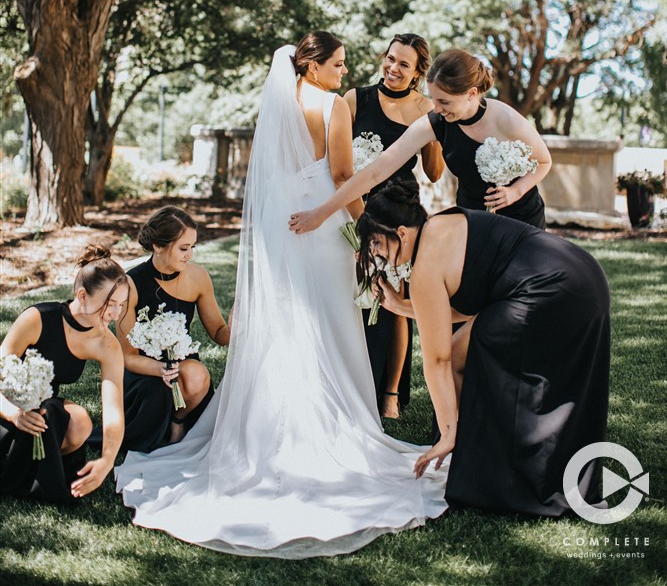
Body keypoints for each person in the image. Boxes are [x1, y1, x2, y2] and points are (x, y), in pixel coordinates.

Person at [116, 34, 448, 557]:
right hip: (322, 225)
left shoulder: (278, 102)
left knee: (288, 324)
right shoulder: (334, 105)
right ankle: (328, 433)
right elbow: (341, 175)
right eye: (337, 64)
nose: (345, 72)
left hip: (280, 230)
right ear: (313, 66)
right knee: (327, 323)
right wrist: (366, 229)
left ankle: (271, 431)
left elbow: (274, 179)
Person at [356, 182, 610, 516]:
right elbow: (457, 311)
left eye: (376, 242)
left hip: (553, 290)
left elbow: (437, 360)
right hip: (582, 273)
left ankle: (478, 459)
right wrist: (400, 305)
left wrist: (447, 434)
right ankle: (473, 460)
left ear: (401, 233)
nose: (377, 253)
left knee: (467, 351)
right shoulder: (441, 226)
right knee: (464, 346)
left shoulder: (425, 267)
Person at [289, 47, 552, 236]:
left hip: (523, 219)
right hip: (473, 220)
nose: (436, 108)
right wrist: (320, 214)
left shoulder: (505, 117)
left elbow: (544, 160)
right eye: (433, 99)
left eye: (444, 101)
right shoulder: (436, 122)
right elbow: (376, 170)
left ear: (471, 94)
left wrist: (515, 191)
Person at [345, 32, 444, 419]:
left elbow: (435, 173)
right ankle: (353, 381)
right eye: (390, 58)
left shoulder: (424, 108)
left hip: (400, 217)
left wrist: (435, 128)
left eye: (404, 63)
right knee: (353, 297)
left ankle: (390, 394)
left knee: (395, 301)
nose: (393, 68)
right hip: (355, 211)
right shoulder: (356, 99)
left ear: (419, 72)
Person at [0, 248, 127, 503]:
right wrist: (13, 413)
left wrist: (107, 461)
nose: (116, 313)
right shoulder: (38, 318)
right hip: (5, 406)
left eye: (121, 305)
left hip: (43, 416)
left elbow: (113, 410)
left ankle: (27, 470)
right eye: (110, 304)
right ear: (82, 295)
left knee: (78, 421)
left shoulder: (107, 344)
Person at [116, 206, 230, 452]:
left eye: (193, 247)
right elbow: (127, 356)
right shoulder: (131, 284)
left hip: (183, 368)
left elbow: (220, 333)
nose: (190, 255)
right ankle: (154, 427)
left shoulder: (198, 277)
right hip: (143, 371)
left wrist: (238, 325)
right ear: (158, 245)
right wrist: (161, 368)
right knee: (159, 387)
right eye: (183, 248)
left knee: (197, 375)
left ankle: (178, 421)